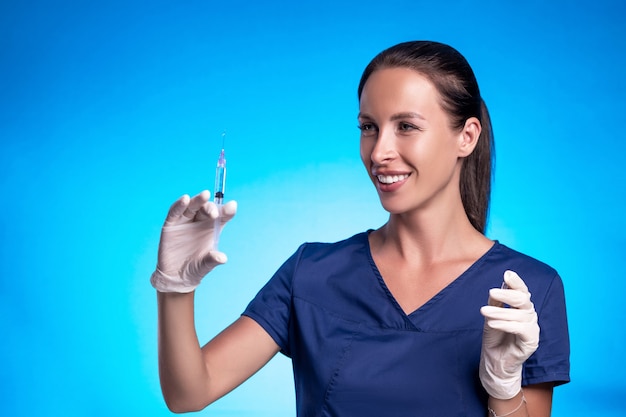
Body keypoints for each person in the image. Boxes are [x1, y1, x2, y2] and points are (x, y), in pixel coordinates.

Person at [151, 41, 570, 416]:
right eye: (369, 127)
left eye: (406, 126)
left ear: (467, 136)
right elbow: (189, 392)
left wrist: (503, 388)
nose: (380, 152)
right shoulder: (311, 273)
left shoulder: (524, 292)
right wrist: (175, 288)